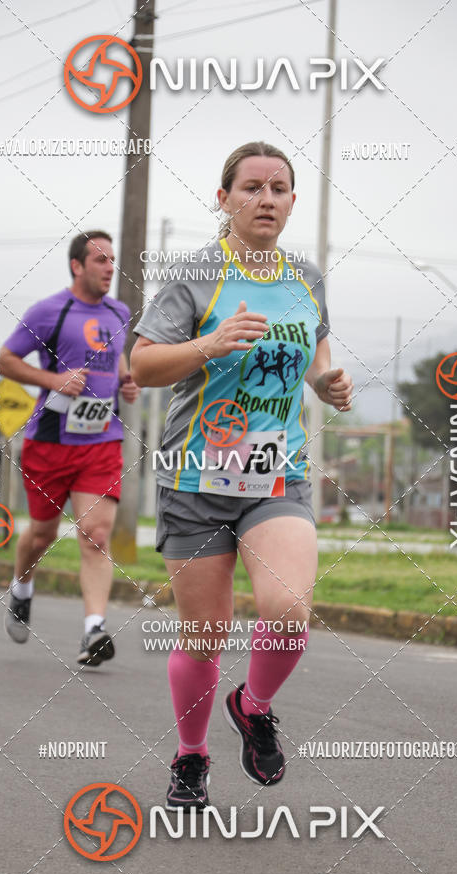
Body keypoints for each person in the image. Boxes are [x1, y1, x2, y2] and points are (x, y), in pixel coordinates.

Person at [130, 142, 353, 810]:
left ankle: (252, 707)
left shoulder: (306, 279)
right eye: (251, 187)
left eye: (279, 188)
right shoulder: (195, 277)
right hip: (195, 479)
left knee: (287, 610)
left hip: (276, 476)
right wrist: (207, 345)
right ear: (223, 198)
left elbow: (314, 356)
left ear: (291, 202)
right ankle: (191, 757)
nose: (266, 199)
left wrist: (329, 383)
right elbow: (142, 367)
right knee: (206, 634)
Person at [0, 231, 140, 666]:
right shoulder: (48, 312)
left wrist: (126, 379)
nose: (110, 268)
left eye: (113, 260)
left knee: (96, 534)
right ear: (77, 266)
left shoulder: (120, 311)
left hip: (102, 442)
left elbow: (114, 357)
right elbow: (6, 360)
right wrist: (53, 380)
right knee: (41, 534)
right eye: (100, 260)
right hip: (50, 443)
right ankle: (22, 587)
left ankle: (93, 630)